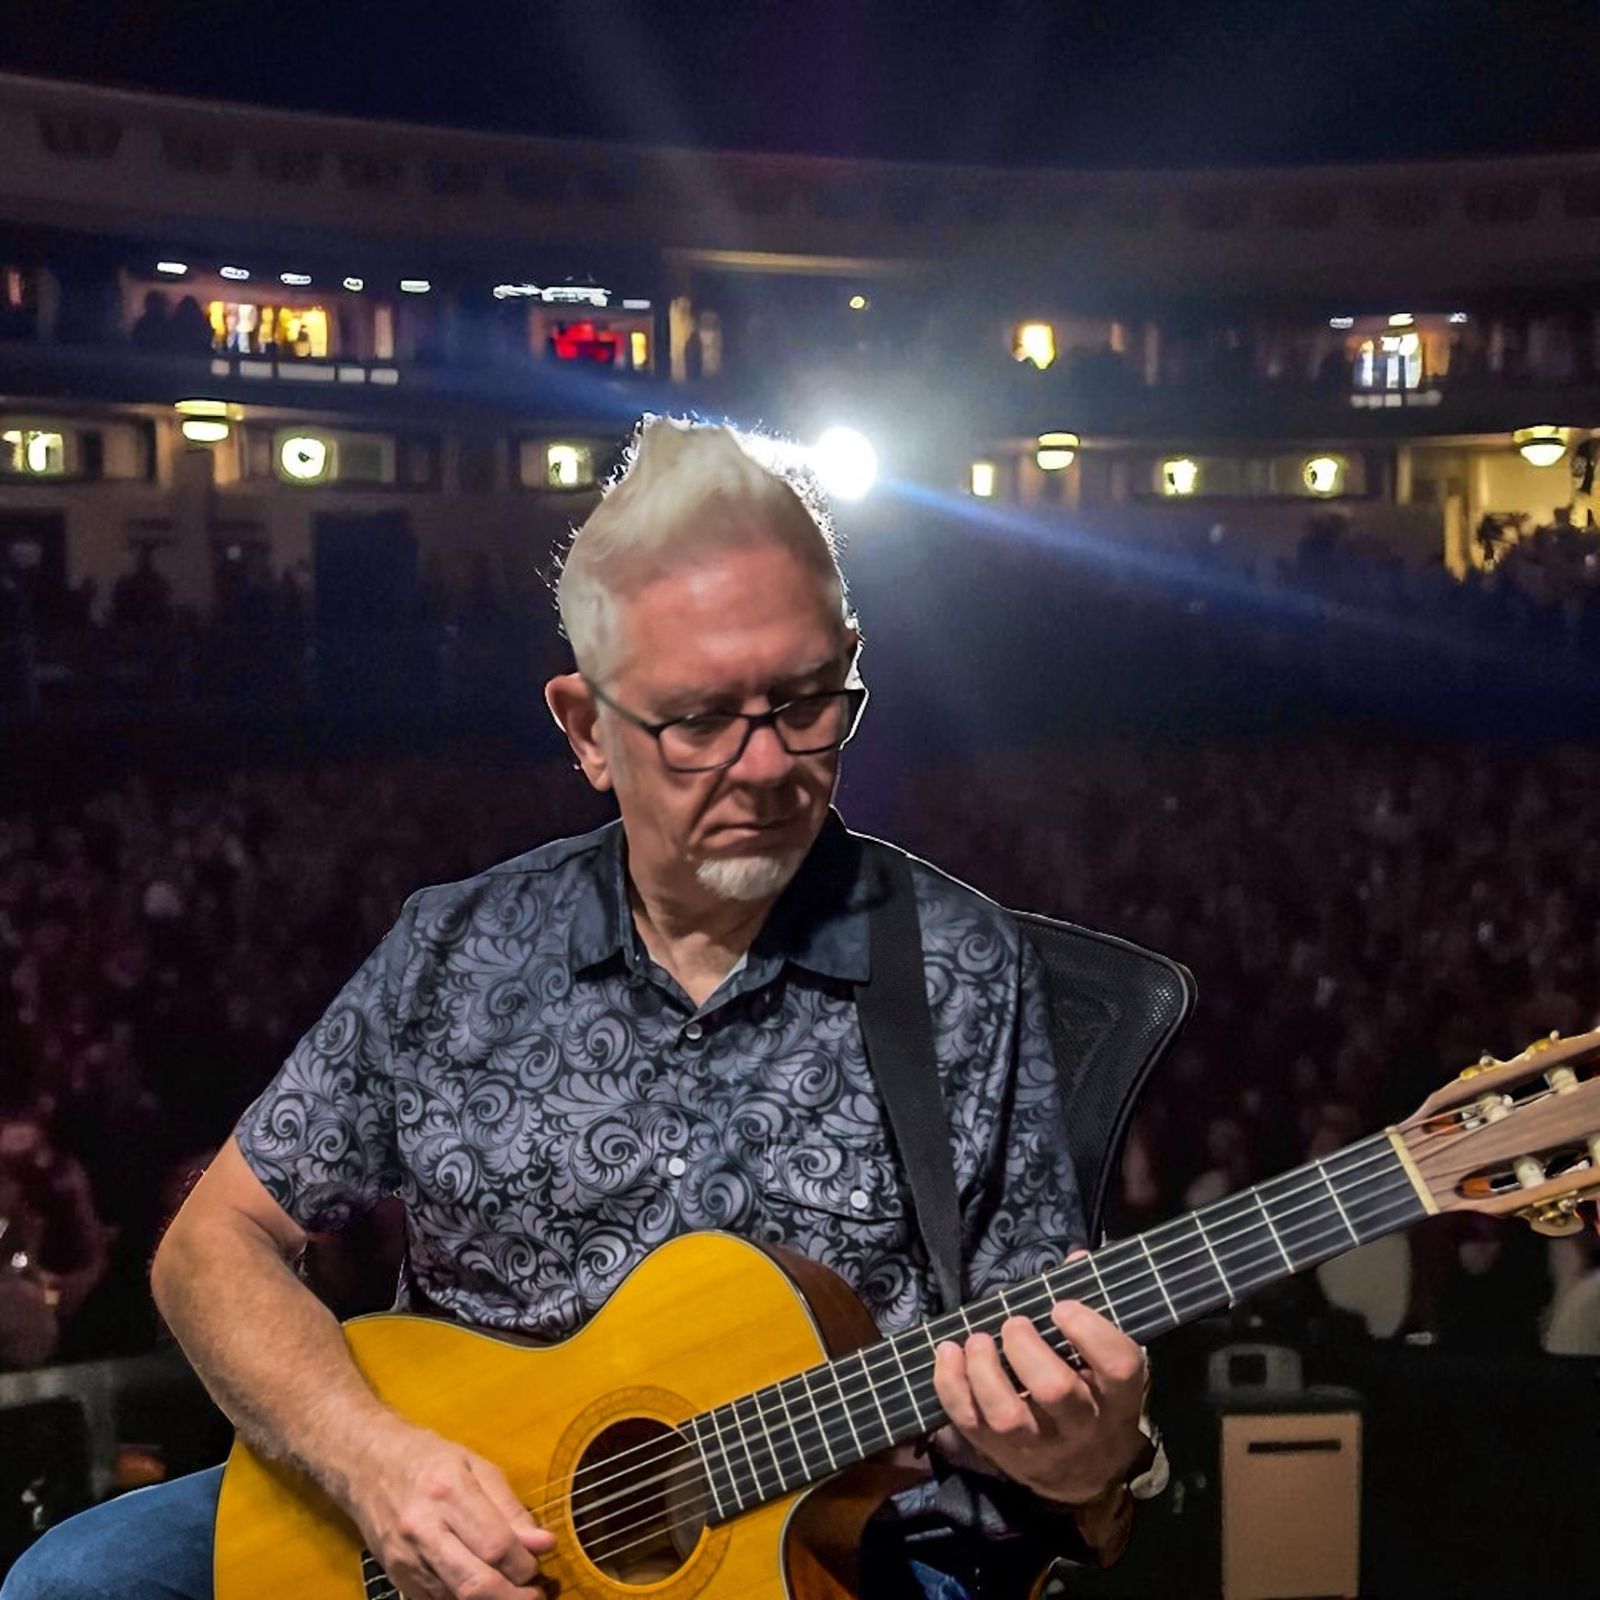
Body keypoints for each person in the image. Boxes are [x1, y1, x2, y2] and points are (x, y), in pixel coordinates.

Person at [4, 418, 1154, 1600]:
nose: (769, 766)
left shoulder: (962, 969)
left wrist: (1088, 1458)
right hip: (437, 1532)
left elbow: (1039, 1372)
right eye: (699, 719)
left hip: (825, 1552)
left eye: (809, 701)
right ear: (586, 727)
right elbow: (213, 1246)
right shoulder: (455, 948)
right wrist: (373, 1460)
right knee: (74, 1582)